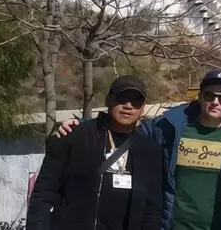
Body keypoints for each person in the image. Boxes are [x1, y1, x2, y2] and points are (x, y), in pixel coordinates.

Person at [55, 69, 221, 230]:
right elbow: (124, 127)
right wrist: (81, 126)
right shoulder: (169, 127)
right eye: (209, 95)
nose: (215, 101)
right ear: (200, 96)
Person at [27, 75, 162, 230]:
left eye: (136, 101)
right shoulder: (74, 136)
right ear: (108, 100)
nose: (128, 105)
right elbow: (44, 193)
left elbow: (152, 209)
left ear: (143, 108)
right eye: (122, 97)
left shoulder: (150, 150)